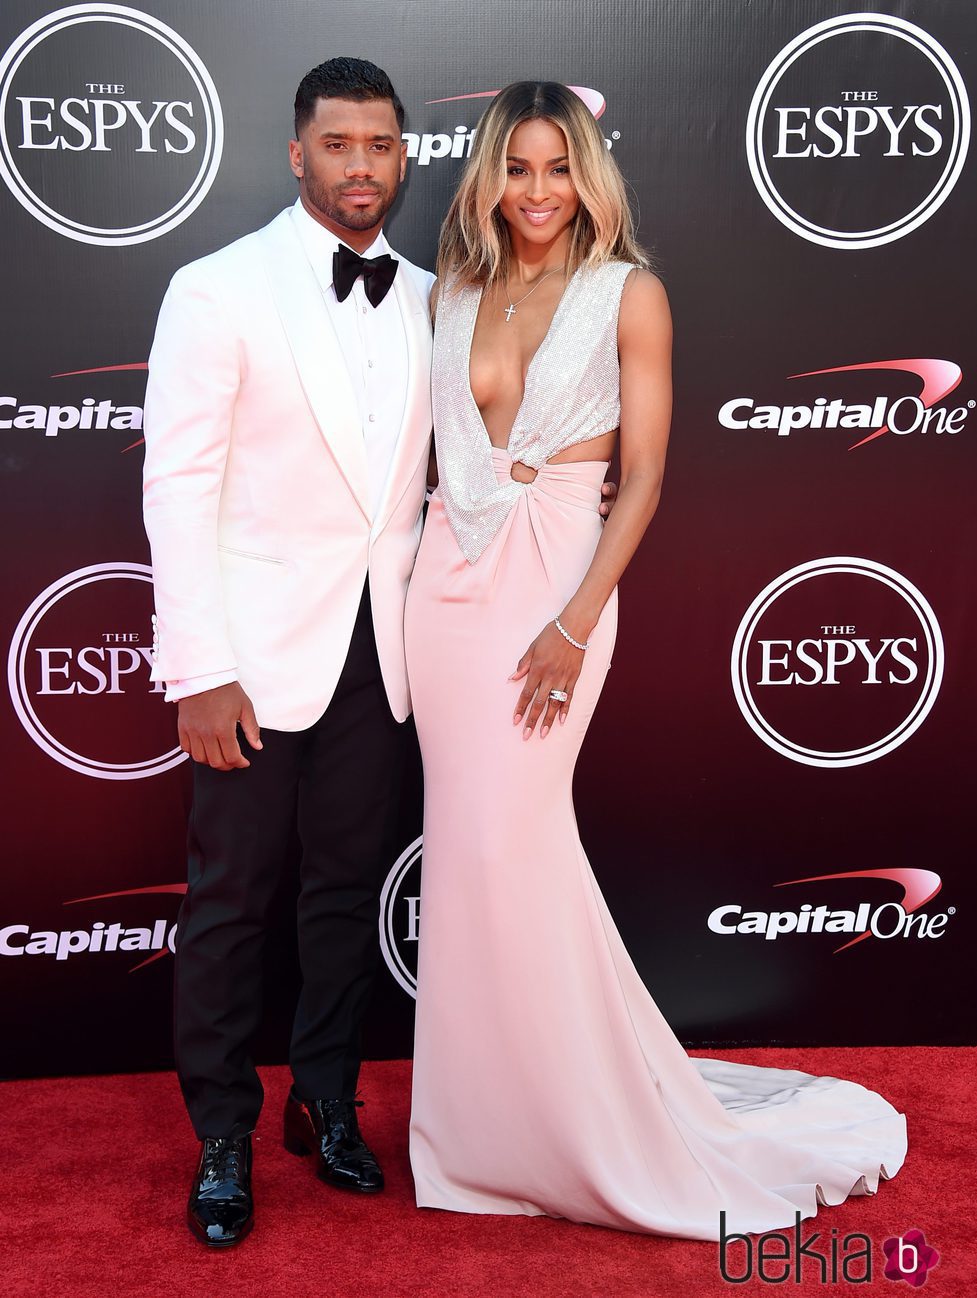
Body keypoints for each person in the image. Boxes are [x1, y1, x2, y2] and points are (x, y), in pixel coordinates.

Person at [405, 81, 907, 1240]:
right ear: (488, 178)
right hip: (445, 588)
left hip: (554, 588)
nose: (537, 193)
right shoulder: (454, 292)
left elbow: (643, 479)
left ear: (590, 176)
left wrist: (574, 620)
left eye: (557, 169)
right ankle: (479, 1130)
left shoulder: (630, 294)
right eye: (517, 169)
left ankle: (574, 1123)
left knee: (512, 839)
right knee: (470, 859)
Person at [142, 57, 436, 1248]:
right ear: (296, 154)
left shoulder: (427, 294)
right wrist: (197, 665)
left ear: (403, 157)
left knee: (345, 895)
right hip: (250, 664)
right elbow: (178, 485)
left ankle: (324, 1098)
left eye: (379, 145)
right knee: (228, 903)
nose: (360, 165)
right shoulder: (216, 287)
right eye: (337, 144)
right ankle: (222, 1128)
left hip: (382, 647)